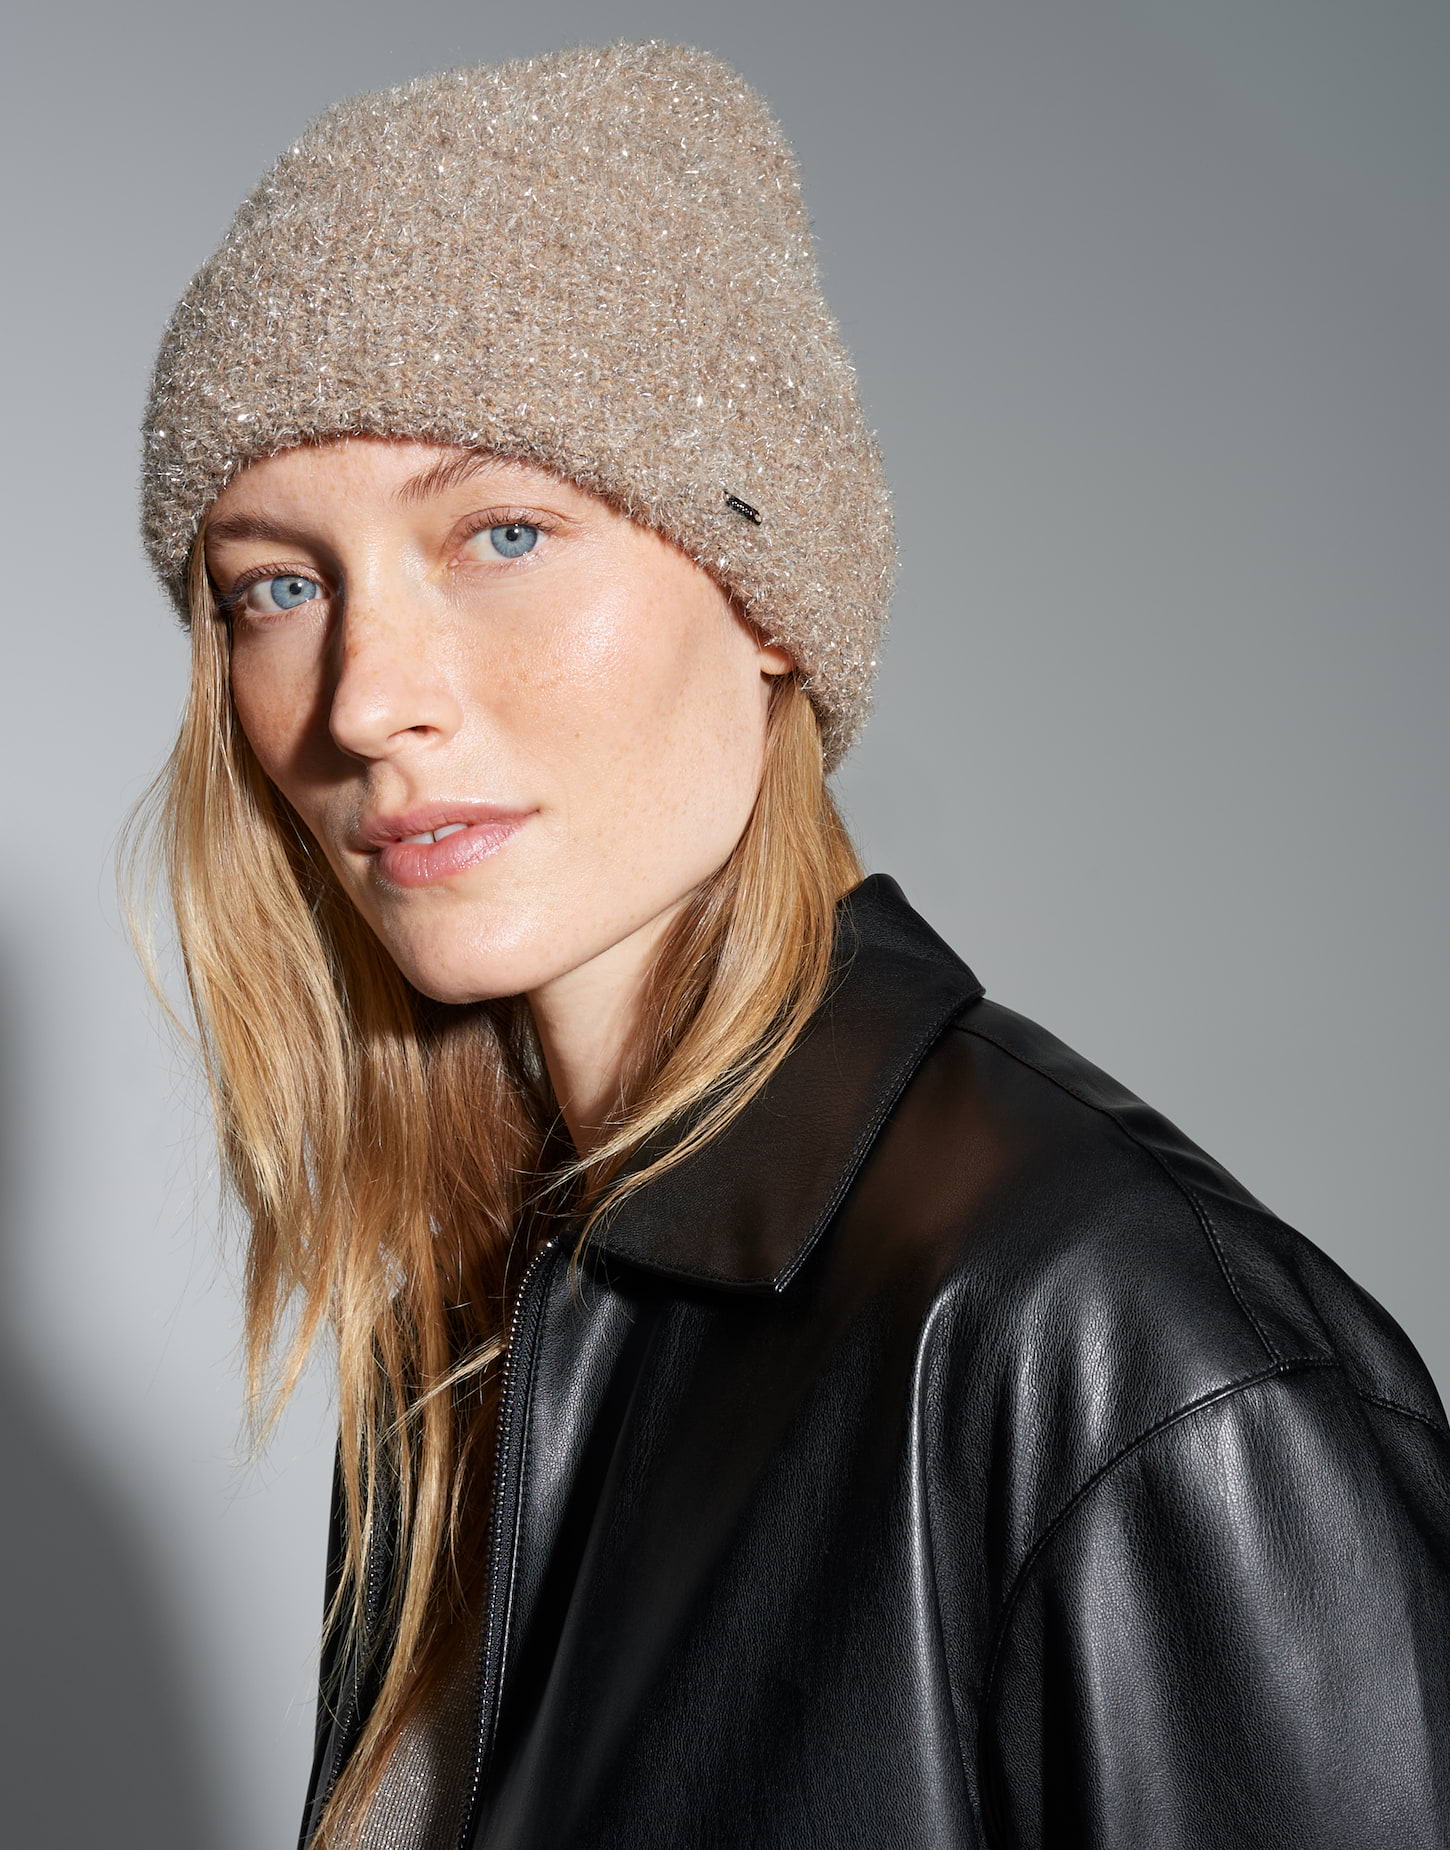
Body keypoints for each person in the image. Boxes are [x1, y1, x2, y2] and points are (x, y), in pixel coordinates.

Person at [127, 37, 1450, 1850]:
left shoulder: (1117, 1343)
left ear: (765, 596)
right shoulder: (481, 1311)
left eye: (503, 532)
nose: (365, 699)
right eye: (277, 585)